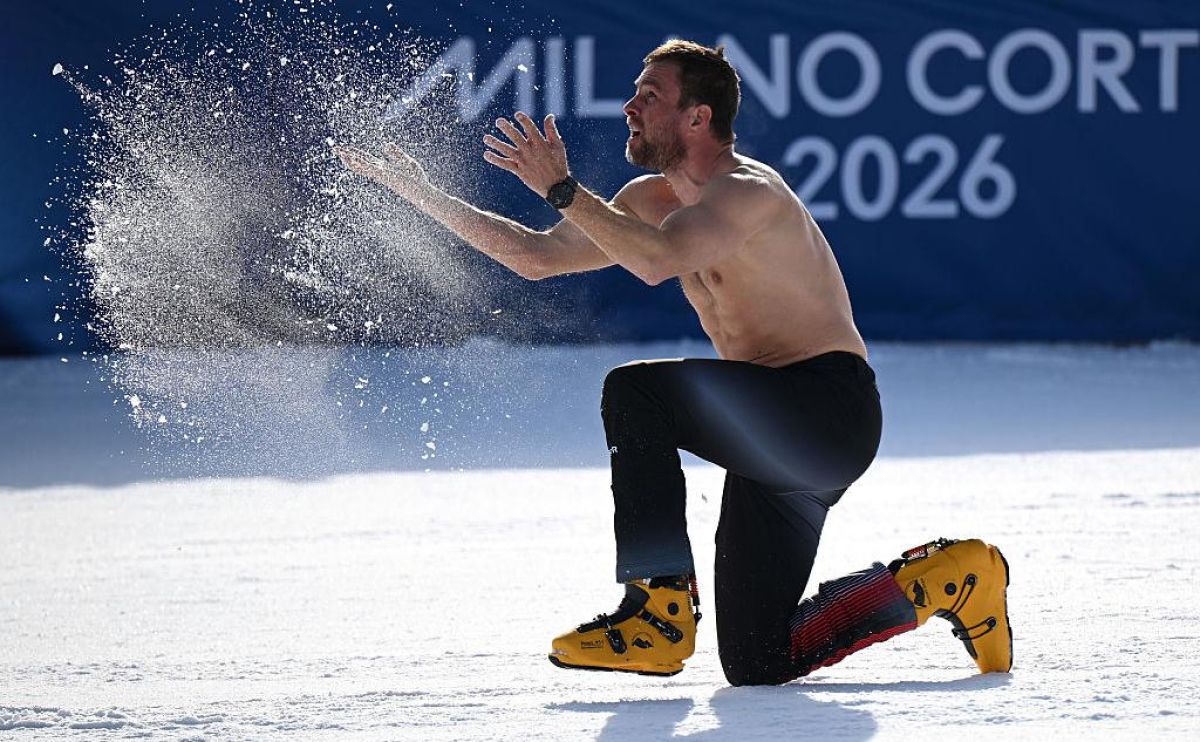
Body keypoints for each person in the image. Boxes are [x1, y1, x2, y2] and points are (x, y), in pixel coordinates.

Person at [336, 40, 1011, 686]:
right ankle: (946, 580)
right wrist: (422, 194)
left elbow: (658, 262)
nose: (629, 107)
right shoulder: (648, 201)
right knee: (759, 659)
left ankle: (657, 608)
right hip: (770, 433)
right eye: (634, 94)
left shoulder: (748, 192)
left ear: (697, 117)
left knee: (639, 394)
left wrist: (563, 188)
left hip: (825, 413)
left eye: (649, 95)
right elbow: (536, 257)